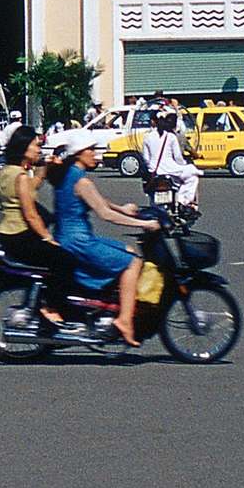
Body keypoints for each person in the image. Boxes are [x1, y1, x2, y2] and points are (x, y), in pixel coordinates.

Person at [47, 129, 161, 346]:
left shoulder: (69, 175)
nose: (95, 155)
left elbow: (99, 201)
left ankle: (108, 305)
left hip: (68, 239)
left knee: (127, 250)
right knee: (133, 263)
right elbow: (105, 214)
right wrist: (144, 223)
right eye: (91, 150)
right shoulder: (81, 181)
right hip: (79, 242)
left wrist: (125, 209)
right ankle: (125, 321)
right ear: (79, 153)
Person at [0, 125, 67, 325]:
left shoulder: (6, 172)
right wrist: (48, 238)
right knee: (63, 259)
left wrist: (43, 171)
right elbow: (31, 214)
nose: (39, 150)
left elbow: (26, 191)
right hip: (21, 235)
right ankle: (50, 307)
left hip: (6, 233)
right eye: (35, 145)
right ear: (24, 149)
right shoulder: (21, 176)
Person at [143, 110, 201, 210]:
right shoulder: (171, 137)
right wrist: (183, 165)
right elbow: (178, 157)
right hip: (171, 169)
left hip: (154, 171)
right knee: (193, 176)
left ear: (154, 122)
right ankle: (183, 201)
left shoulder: (147, 137)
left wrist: (151, 167)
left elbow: (146, 158)